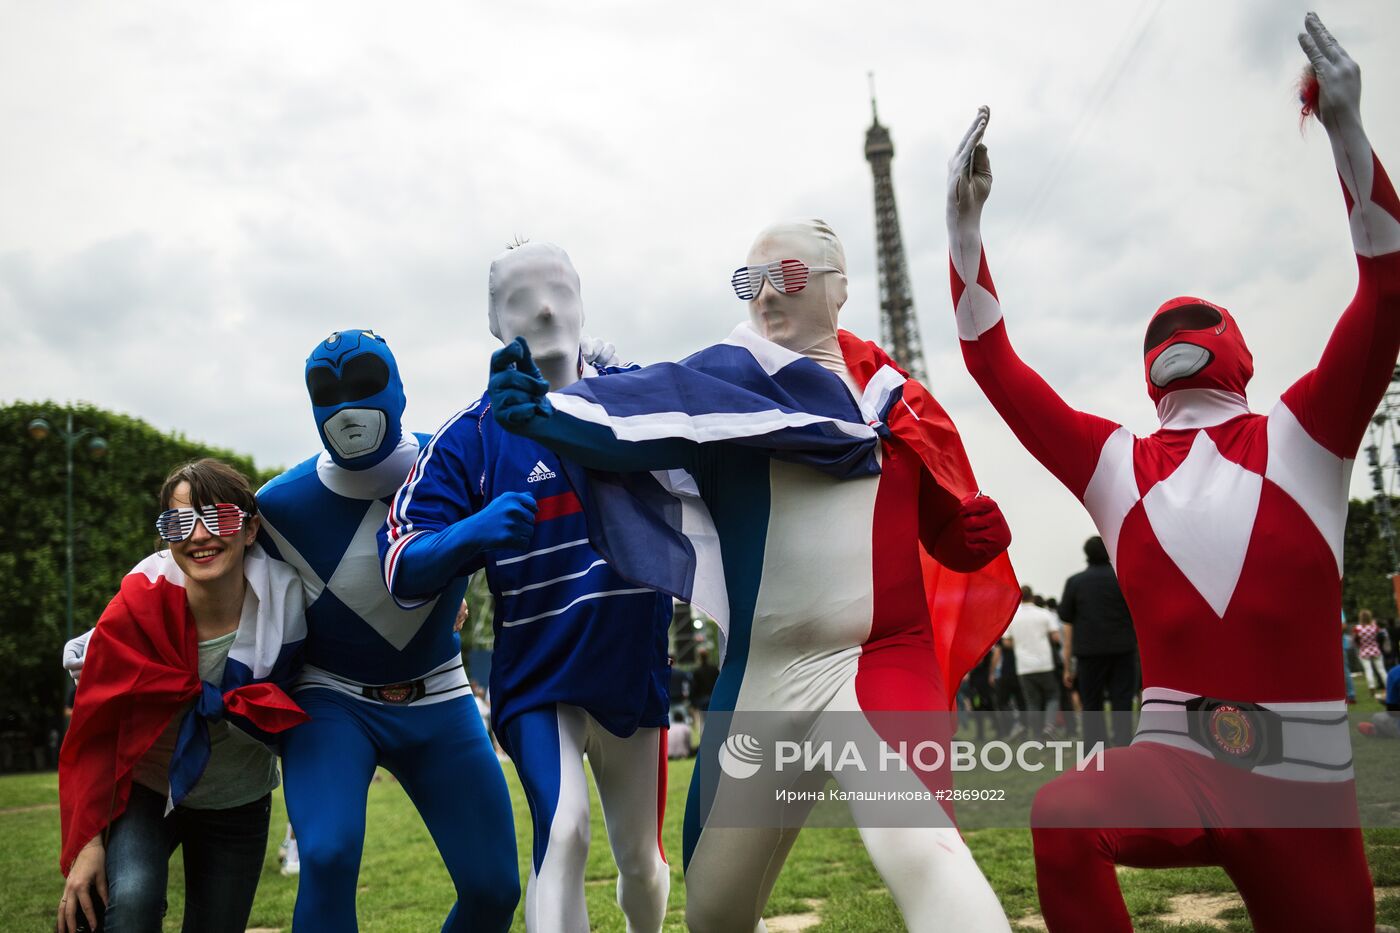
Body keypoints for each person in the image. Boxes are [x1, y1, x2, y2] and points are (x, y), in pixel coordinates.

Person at [944, 14, 1392, 931]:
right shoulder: (1122, 462)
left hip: (1302, 789)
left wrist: (1346, 127)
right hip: (1176, 763)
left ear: (1243, 356)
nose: (1172, 328)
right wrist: (961, 229)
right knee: (1062, 814)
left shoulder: (1304, 436)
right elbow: (993, 364)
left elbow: (1388, 290)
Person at [485, 219, 1019, 931]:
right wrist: (545, 417)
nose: (767, 296)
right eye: (751, 282)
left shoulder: (896, 404)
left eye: (790, 277)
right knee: (714, 907)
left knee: (919, 846)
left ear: (839, 288)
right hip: (762, 672)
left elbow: (945, 530)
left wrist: (969, 531)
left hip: (876, 657)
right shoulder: (716, 388)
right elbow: (627, 418)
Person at [380, 242, 673, 933]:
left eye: (559, 290)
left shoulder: (634, 401)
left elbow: (709, 448)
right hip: (540, 676)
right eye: (520, 297)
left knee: (642, 861)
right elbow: (400, 562)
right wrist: (472, 532)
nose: (544, 308)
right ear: (494, 321)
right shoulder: (470, 438)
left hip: (633, 668)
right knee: (563, 829)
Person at [257, 329, 519, 931]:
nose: (346, 406)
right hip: (331, 700)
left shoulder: (456, 465)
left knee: (494, 887)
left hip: (440, 692)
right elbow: (194, 565)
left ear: (399, 389)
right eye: (327, 391)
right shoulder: (276, 506)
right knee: (325, 852)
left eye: (365, 385)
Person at [57, 459, 308, 933]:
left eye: (219, 517)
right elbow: (95, 725)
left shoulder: (290, 598)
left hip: (240, 799)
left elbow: (357, 609)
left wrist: (443, 607)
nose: (198, 535)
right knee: (129, 905)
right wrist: (87, 844)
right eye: (179, 521)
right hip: (148, 791)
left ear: (251, 529)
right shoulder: (137, 606)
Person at [1058, 537, 1137, 748]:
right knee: (1122, 700)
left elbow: (1066, 619)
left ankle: (1095, 745)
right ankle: (1123, 743)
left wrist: (1067, 665)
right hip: (1123, 649)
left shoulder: (1075, 582)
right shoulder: (1122, 578)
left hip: (1089, 652)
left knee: (1092, 702)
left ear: (1086, 554)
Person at [1000, 586, 1062, 739]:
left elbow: (1006, 642)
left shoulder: (1013, 617)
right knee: (1052, 695)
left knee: (1032, 702)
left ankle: (1036, 735)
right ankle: (1049, 726)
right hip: (1044, 662)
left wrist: (1021, 644)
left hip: (1024, 666)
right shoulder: (1043, 613)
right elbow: (1055, 637)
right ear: (1033, 596)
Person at [1357, 662, 1400, 738]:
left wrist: (1385, 701)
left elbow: (1392, 711)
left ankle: (1376, 731)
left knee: (1377, 717)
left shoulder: (1395, 672)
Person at [1353, 609, 1387, 693]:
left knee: (1368, 670)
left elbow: (1355, 640)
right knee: (1381, 670)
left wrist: (1359, 645)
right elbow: (1381, 637)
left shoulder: (1357, 628)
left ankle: (1372, 687)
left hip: (1364, 650)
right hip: (1375, 649)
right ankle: (1388, 685)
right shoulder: (1375, 627)